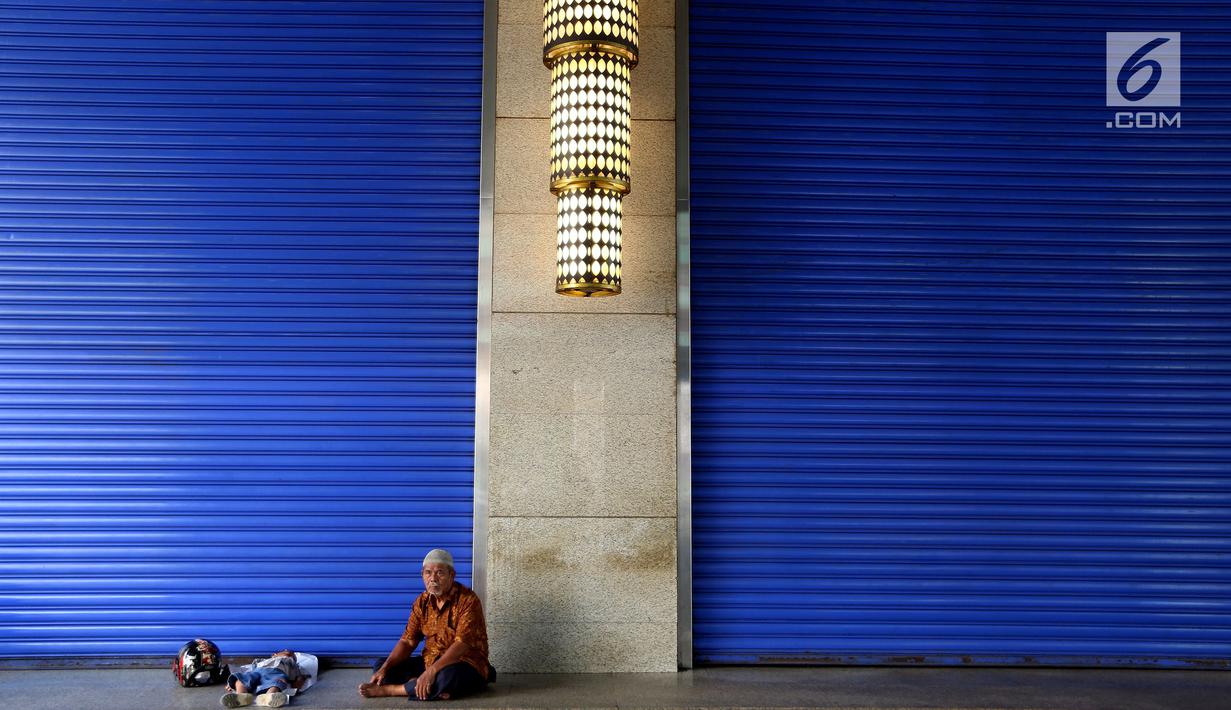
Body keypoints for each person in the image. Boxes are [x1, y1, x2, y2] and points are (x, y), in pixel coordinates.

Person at [359, 549, 496, 701]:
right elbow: (408, 640)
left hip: (465, 663)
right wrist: (385, 668)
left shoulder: (468, 600)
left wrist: (432, 671)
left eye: (440, 573)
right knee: (383, 666)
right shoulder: (422, 602)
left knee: (447, 677)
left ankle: (393, 690)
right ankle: (425, 687)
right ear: (422, 575)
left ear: (452, 575)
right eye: (428, 573)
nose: (433, 579)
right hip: (430, 660)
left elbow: (462, 644)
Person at [220, 649, 308, 708]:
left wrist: (299, 681)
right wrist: (232, 683)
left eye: (293, 656)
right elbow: (247, 669)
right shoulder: (260, 661)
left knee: (277, 682)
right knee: (241, 678)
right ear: (274, 655)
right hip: (257, 672)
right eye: (286, 652)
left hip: (276, 673)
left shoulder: (290, 663)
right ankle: (240, 696)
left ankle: (268, 698)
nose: (290, 654)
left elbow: (297, 678)